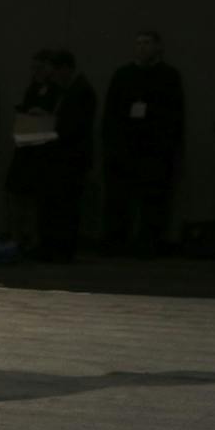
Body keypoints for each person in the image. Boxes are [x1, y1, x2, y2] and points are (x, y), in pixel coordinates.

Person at [100, 30, 185, 256]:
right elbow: (111, 112)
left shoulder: (168, 76)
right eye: (138, 43)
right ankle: (116, 242)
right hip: (124, 148)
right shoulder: (123, 74)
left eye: (147, 43)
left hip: (154, 150)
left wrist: (169, 147)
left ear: (159, 47)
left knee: (153, 199)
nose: (142, 47)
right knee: (119, 199)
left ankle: (148, 244)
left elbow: (175, 115)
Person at [39, 49, 96, 262]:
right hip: (58, 157)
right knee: (55, 204)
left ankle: (62, 249)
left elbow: (75, 127)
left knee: (66, 205)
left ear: (65, 69)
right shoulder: (62, 92)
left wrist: (49, 122)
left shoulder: (81, 92)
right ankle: (53, 247)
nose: (51, 75)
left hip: (70, 159)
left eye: (53, 70)